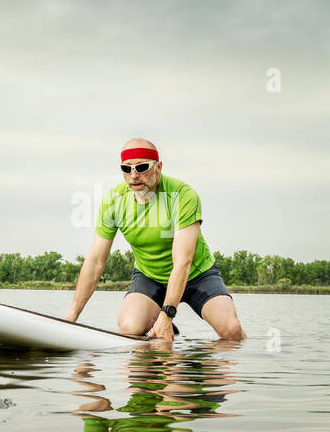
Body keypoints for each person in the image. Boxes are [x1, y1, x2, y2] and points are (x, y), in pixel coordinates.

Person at [65, 138, 246, 341]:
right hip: (150, 277)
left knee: (232, 331)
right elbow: (96, 261)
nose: (134, 176)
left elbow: (182, 263)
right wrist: (71, 318)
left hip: (197, 275)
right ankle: (157, 320)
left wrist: (168, 314)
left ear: (158, 167)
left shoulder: (182, 195)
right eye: (126, 169)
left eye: (142, 167)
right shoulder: (113, 201)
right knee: (129, 327)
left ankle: (164, 319)